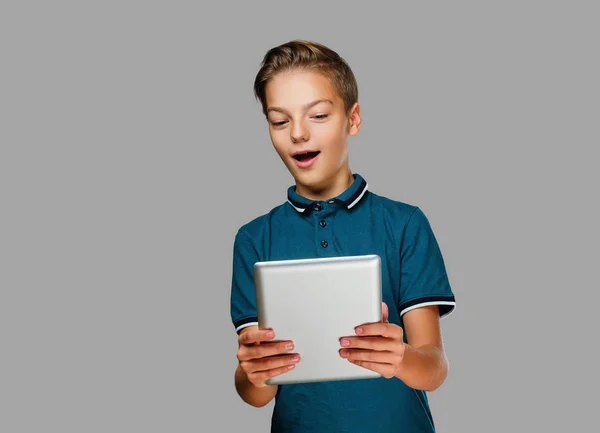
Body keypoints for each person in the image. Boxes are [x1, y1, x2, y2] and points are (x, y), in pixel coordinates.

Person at [229, 39, 457, 433]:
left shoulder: (404, 224)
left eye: (317, 115)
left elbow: (434, 368)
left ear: (352, 119)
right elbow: (256, 393)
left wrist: (400, 357)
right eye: (279, 121)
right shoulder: (254, 238)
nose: (297, 134)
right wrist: (253, 372)